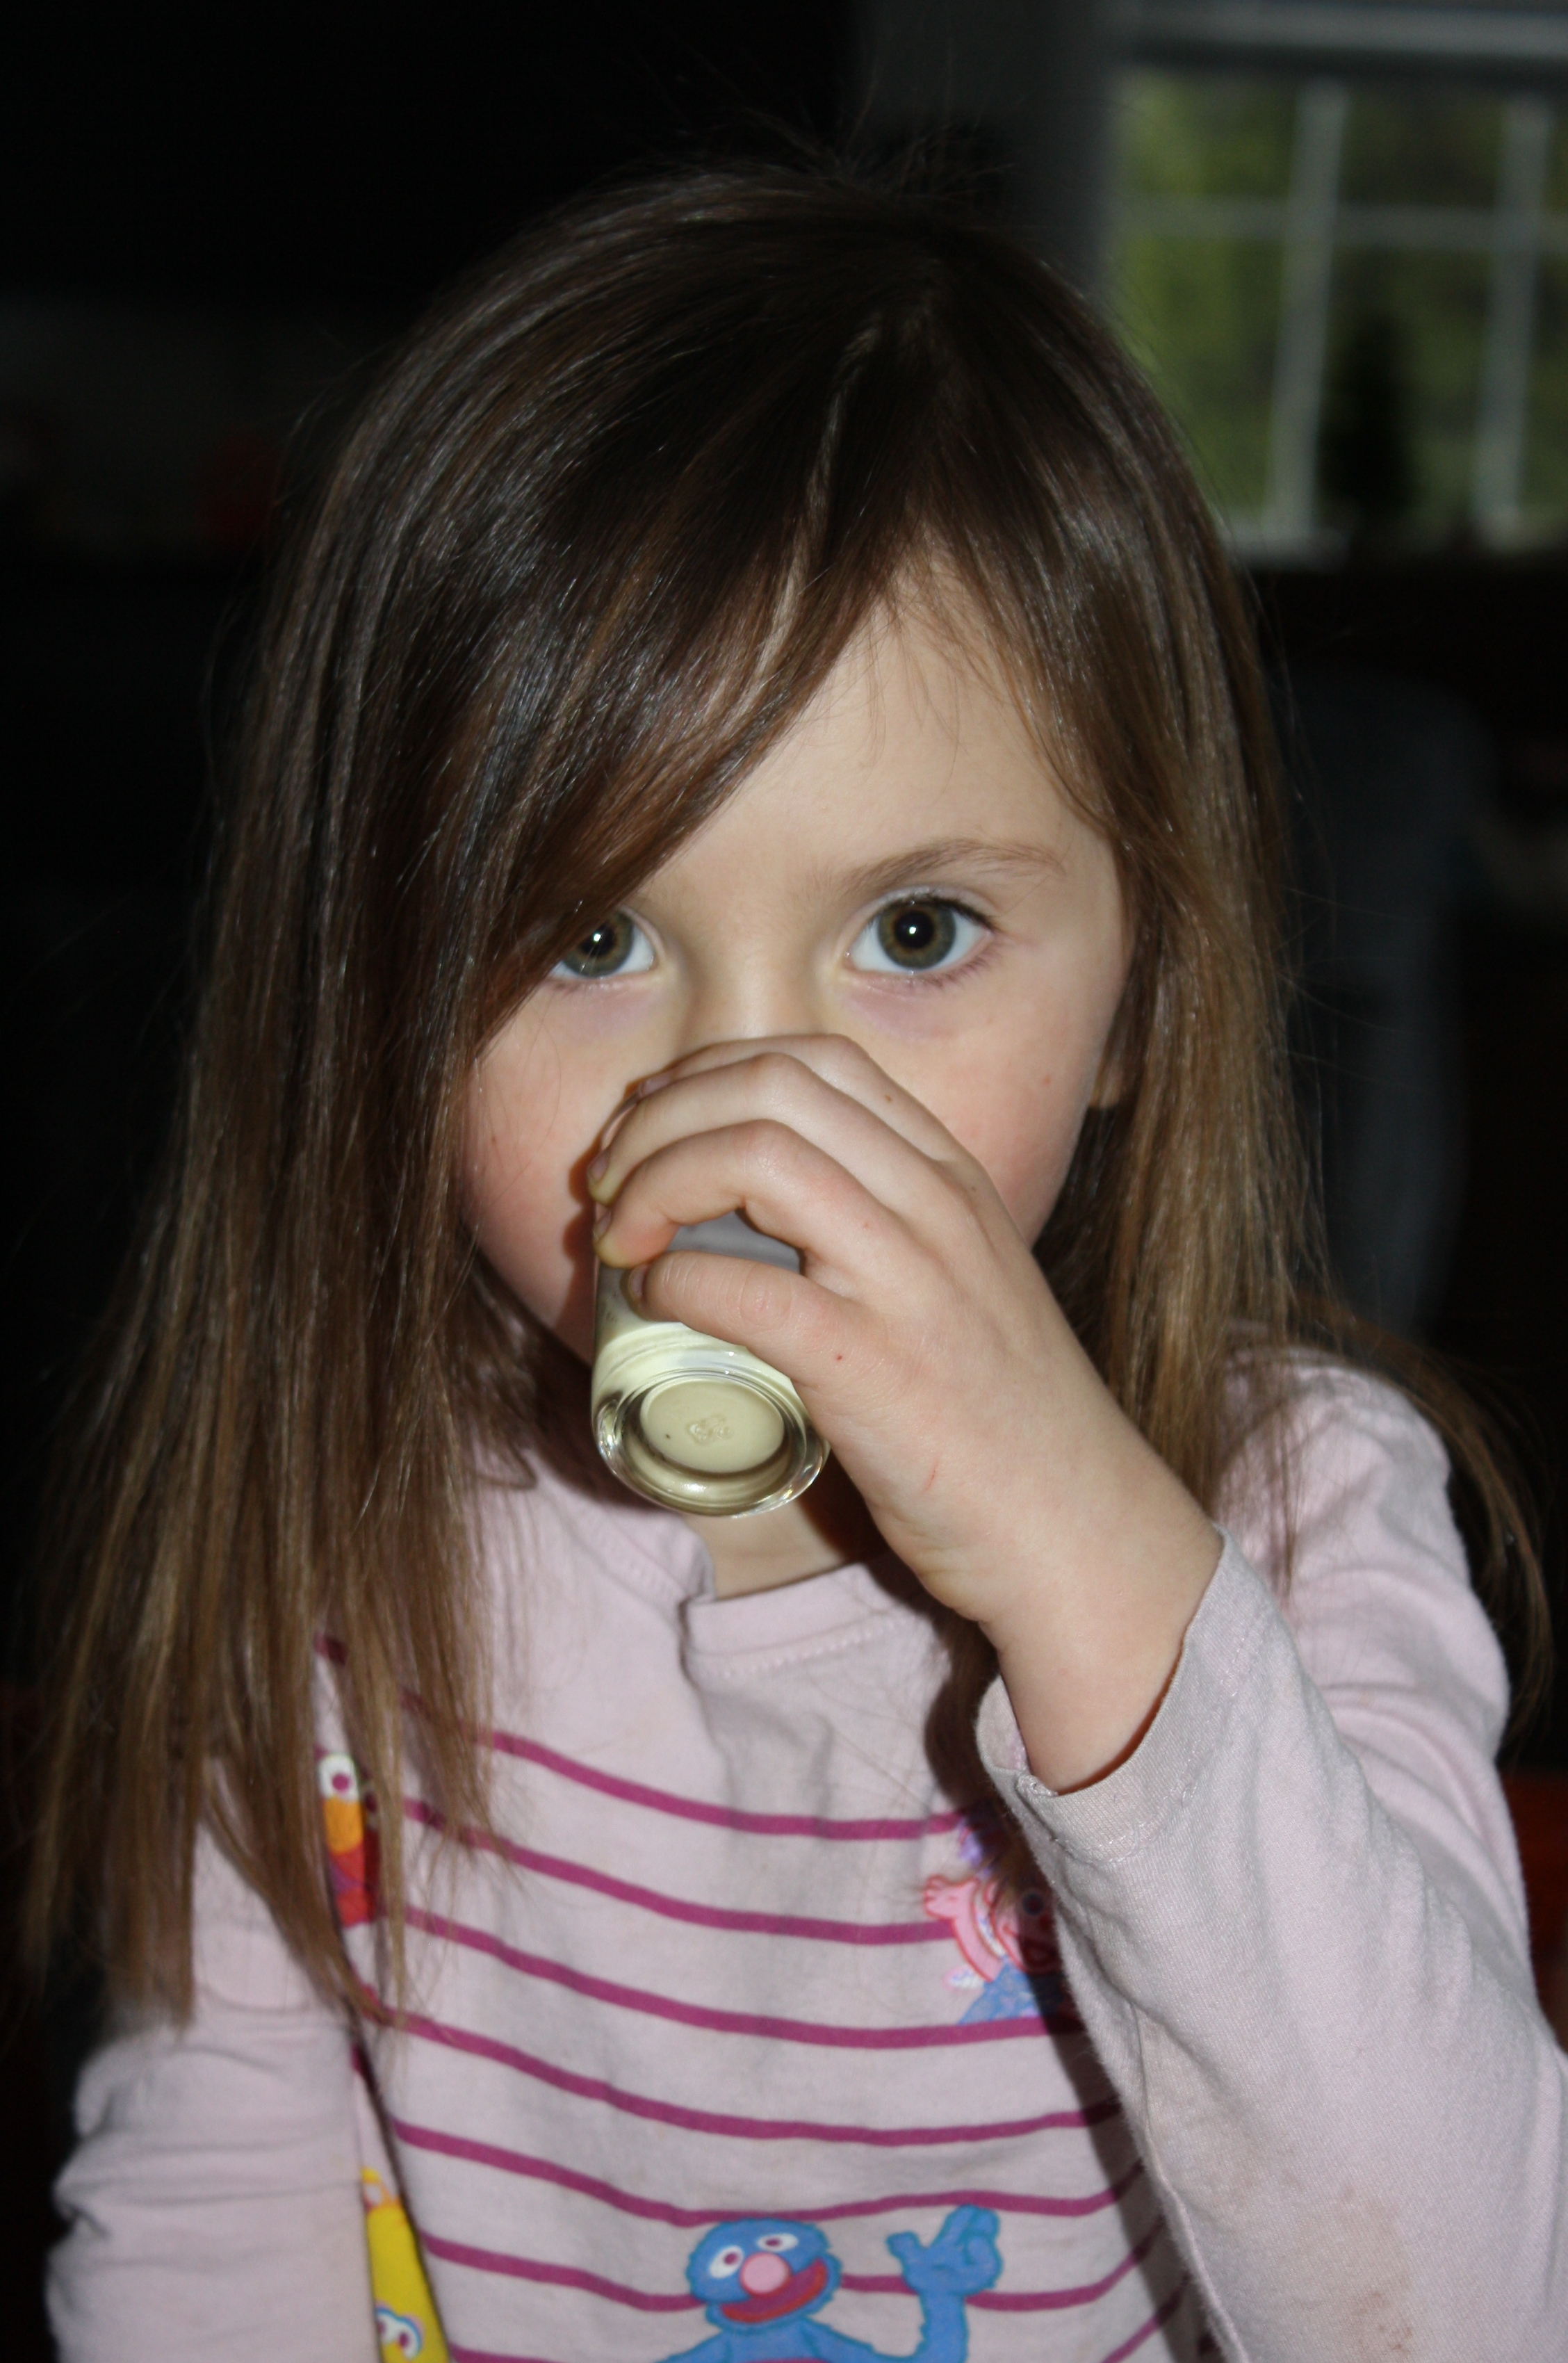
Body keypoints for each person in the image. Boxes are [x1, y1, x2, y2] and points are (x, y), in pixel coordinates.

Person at [26, 161, 1565, 2363]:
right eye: (593, 936)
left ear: (1142, 993)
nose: (748, 1105)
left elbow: (1481, 2303)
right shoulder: (334, 1528)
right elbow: (210, 2218)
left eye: (917, 931)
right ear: (379, 1006)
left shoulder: (1295, 1519)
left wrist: (1087, 1557)